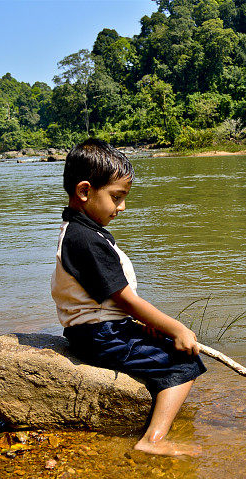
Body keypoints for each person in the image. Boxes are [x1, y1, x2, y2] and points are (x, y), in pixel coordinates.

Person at [51, 139, 206, 456]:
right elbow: (124, 300)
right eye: (116, 197)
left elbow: (104, 295)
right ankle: (153, 440)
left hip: (100, 329)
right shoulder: (84, 238)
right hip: (100, 334)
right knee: (184, 362)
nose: (122, 207)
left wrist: (145, 325)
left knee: (165, 347)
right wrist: (176, 328)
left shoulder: (82, 230)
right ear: (84, 192)